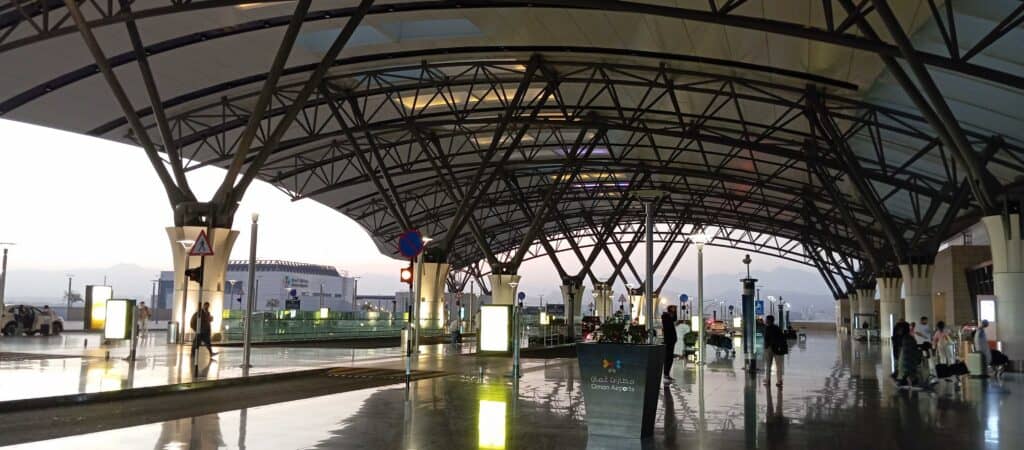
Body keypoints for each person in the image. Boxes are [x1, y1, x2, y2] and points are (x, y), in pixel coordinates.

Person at [763, 315, 787, 387]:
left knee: (768, 366)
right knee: (779, 366)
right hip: (777, 349)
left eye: (766, 320)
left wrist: (766, 346)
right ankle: (779, 381)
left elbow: (766, 339)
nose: (765, 321)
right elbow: (782, 338)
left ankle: (768, 381)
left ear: (769, 321)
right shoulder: (777, 328)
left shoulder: (767, 328)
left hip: (770, 348)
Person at [661, 305, 678, 382]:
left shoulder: (669, 317)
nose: (674, 311)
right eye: (673, 309)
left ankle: (667, 374)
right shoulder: (666, 317)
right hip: (669, 341)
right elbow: (668, 328)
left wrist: (675, 311)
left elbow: (675, 319)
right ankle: (666, 374)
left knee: (670, 358)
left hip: (671, 341)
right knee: (668, 358)